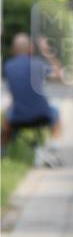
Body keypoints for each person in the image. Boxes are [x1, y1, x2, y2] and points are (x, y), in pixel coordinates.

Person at [2, 33, 62, 164]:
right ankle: (54, 144)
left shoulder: (8, 66)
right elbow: (59, 75)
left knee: (7, 116)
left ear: (13, 50)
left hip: (17, 117)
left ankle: (3, 151)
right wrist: (47, 52)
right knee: (56, 110)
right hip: (43, 114)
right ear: (31, 49)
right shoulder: (37, 64)